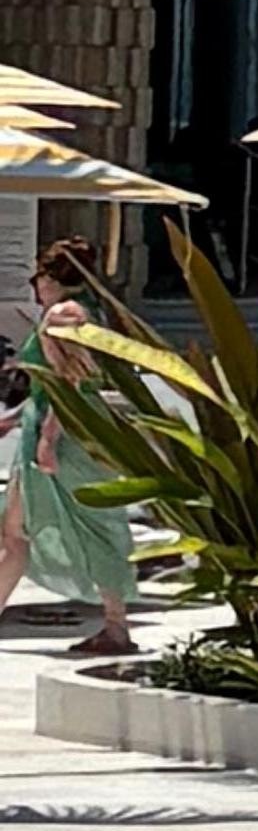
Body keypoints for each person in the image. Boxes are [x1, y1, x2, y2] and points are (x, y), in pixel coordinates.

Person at [4, 266, 145, 652]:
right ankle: (115, 623)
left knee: (91, 524)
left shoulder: (63, 315)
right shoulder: (83, 311)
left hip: (65, 432)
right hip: (52, 426)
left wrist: (49, 438)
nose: (36, 287)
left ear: (52, 279)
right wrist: (17, 419)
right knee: (13, 530)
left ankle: (117, 624)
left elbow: (72, 382)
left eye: (39, 279)